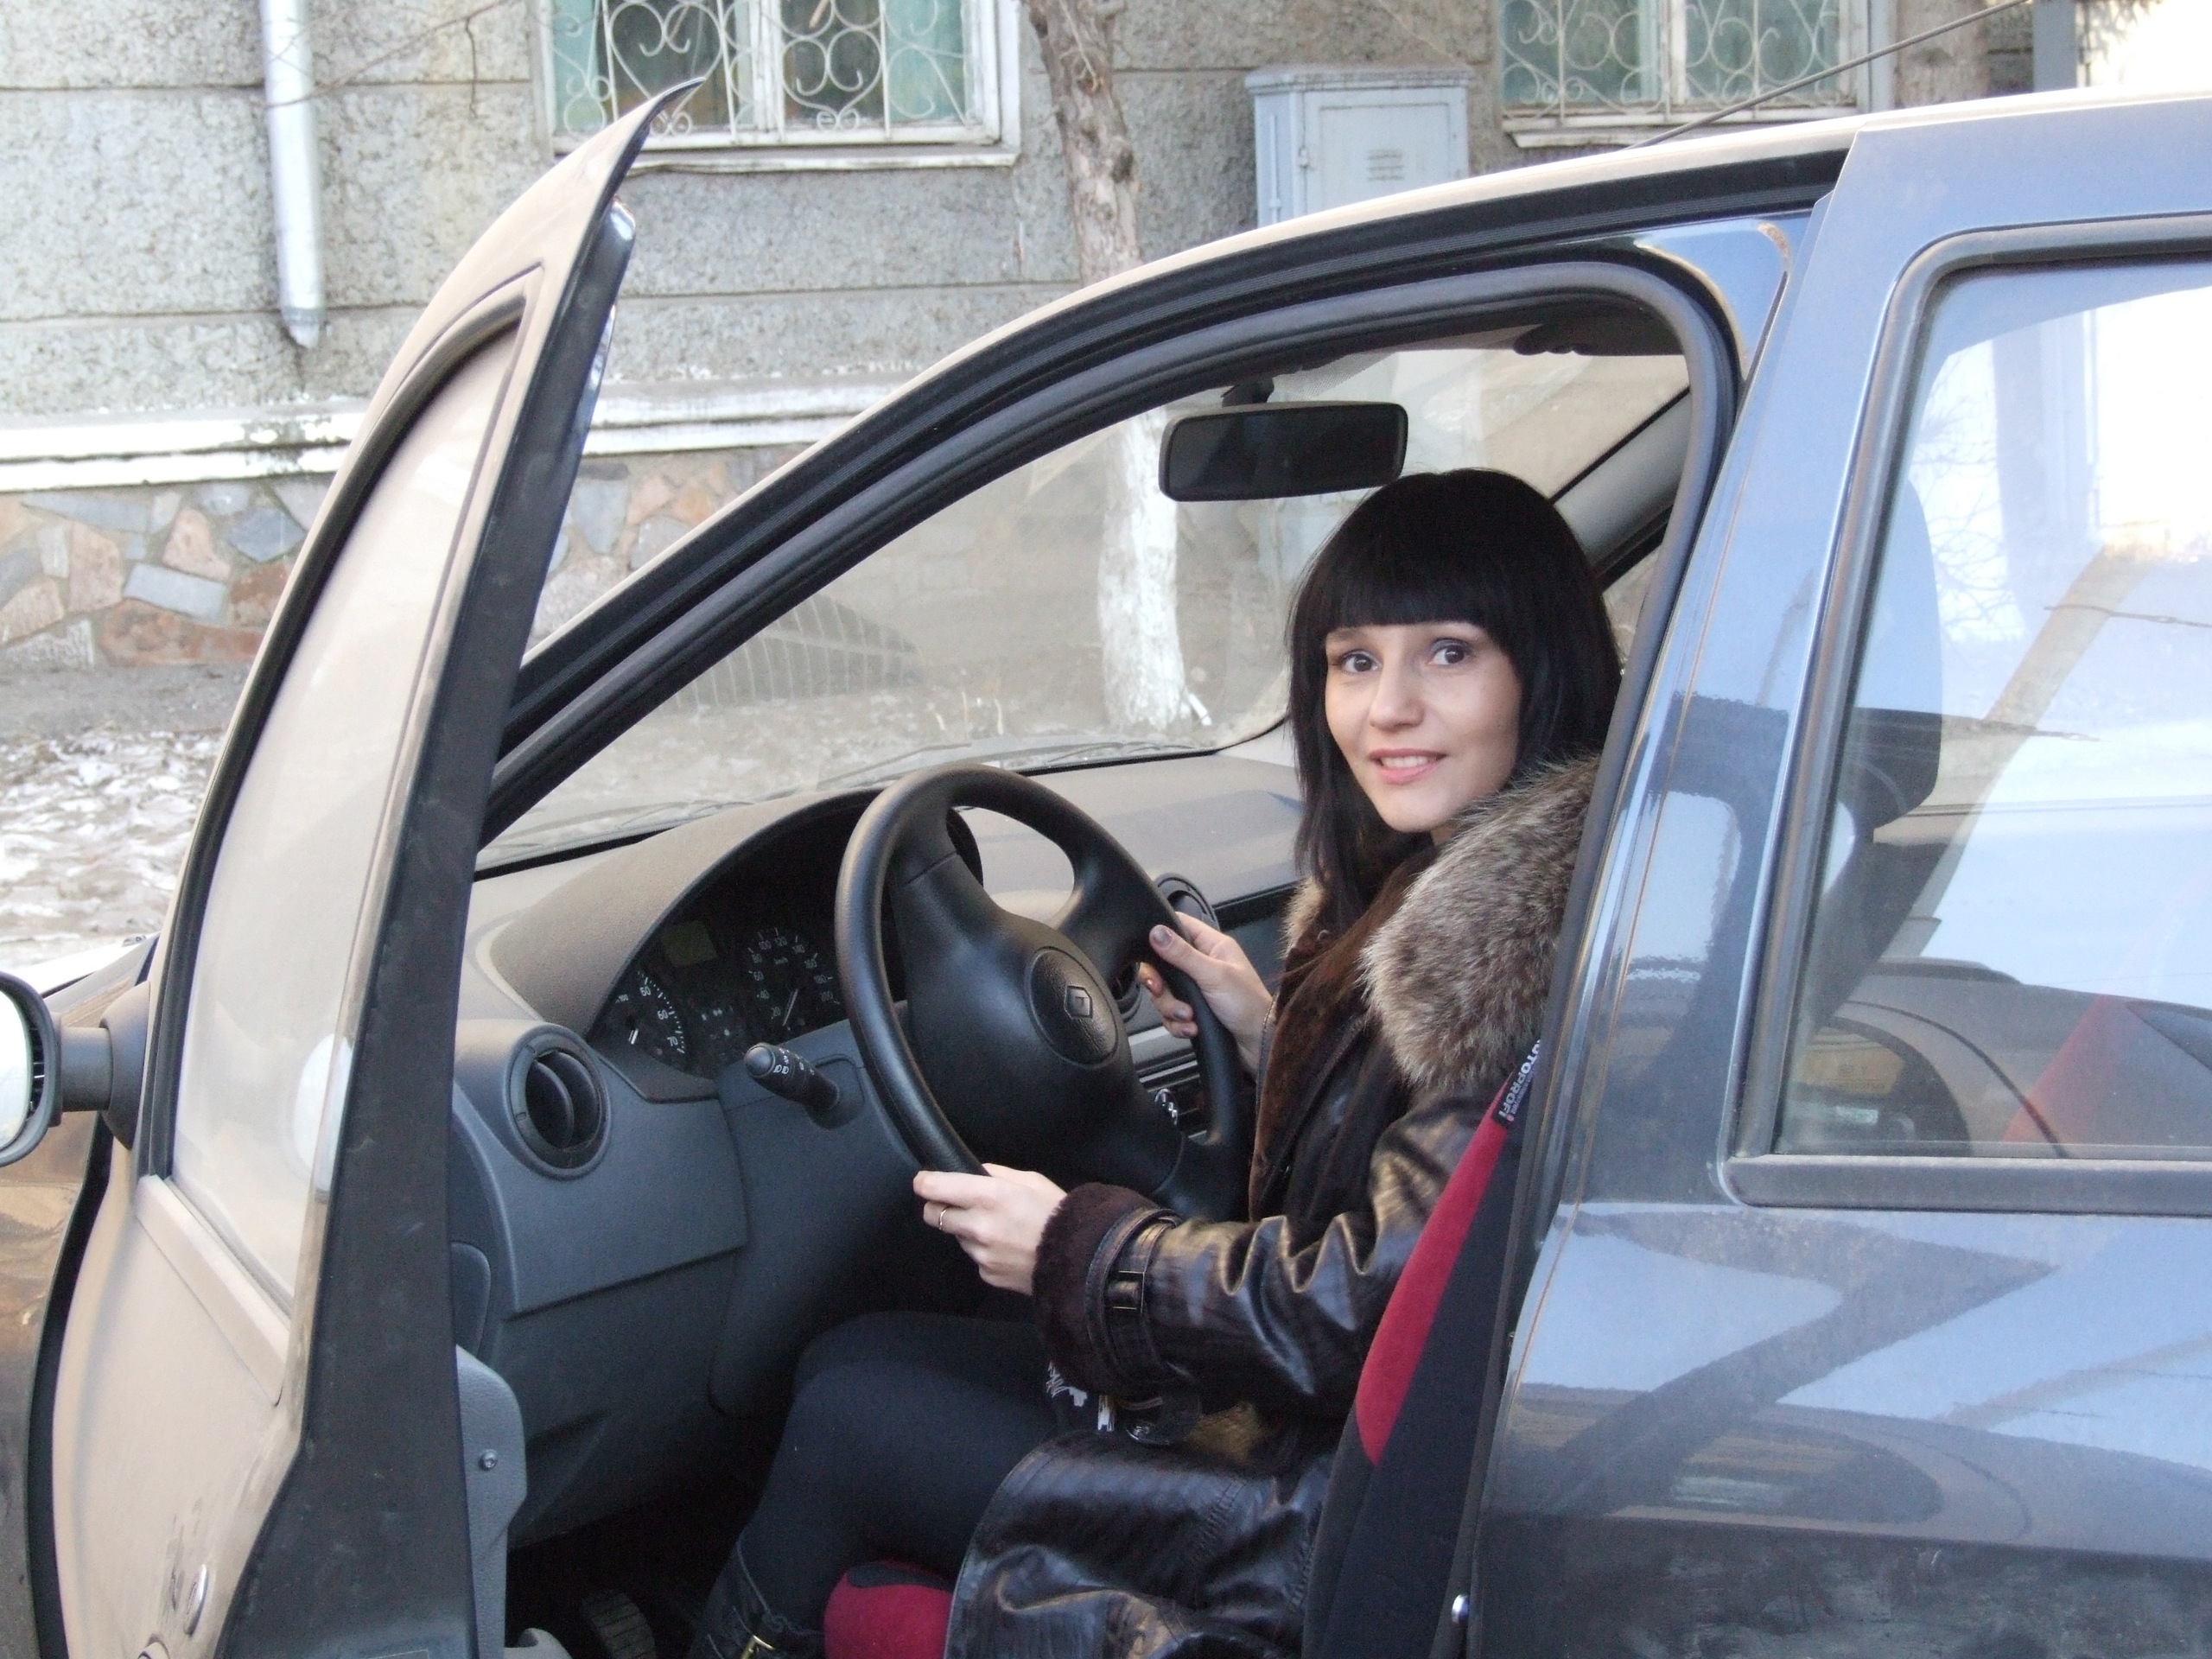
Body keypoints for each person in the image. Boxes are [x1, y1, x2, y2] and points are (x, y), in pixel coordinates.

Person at [690, 467, 1622, 1659]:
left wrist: (1080, 1251)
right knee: (853, 1358)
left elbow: (1358, 1307)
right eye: (1354, 661)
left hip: (1321, 1528)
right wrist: (1272, 1034)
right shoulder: (1468, 890)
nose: (1388, 708)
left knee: (855, 1418)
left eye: (1448, 654)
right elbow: (1413, 1175)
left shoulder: (1510, 955)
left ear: (1542, 668)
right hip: (1330, 1457)